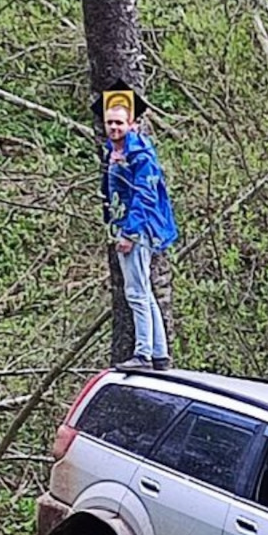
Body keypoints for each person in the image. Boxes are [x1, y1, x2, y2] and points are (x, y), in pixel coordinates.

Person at [100, 85, 178, 369]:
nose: (114, 128)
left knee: (135, 292)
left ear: (131, 124)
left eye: (119, 122)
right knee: (143, 290)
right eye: (110, 122)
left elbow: (144, 195)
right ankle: (159, 352)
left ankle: (143, 354)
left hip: (138, 229)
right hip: (125, 224)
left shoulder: (139, 154)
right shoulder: (114, 151)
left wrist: (130, 233)